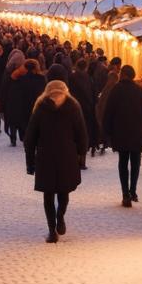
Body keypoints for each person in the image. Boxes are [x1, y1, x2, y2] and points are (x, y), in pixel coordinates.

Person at [24, 80, 88, 243]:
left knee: (48, 195)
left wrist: (30, 161)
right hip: (67, 155)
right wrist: (81, 155)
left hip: (46, 156)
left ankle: (52, 230)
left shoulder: (40, 107)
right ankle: (60, 217)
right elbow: (81, 133)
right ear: (65, 91)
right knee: (64, 191)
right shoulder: (73, 106)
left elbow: (30, 137)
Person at [103, 65, 142, 207]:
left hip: (120, 133)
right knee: (135, 163)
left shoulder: (115, 90)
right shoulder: (140, 92)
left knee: (123, 162)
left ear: (123, 75)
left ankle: (125, 194)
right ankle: (133, 190)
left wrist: (107, 131)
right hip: (136, 132)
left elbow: (108, 111)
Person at [5, 58, 47, 147]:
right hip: (36, 104)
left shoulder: (21, 79)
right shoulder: (41, 79)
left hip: (24, 105)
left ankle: (24, 137)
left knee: (25, 122)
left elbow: (14, 88)